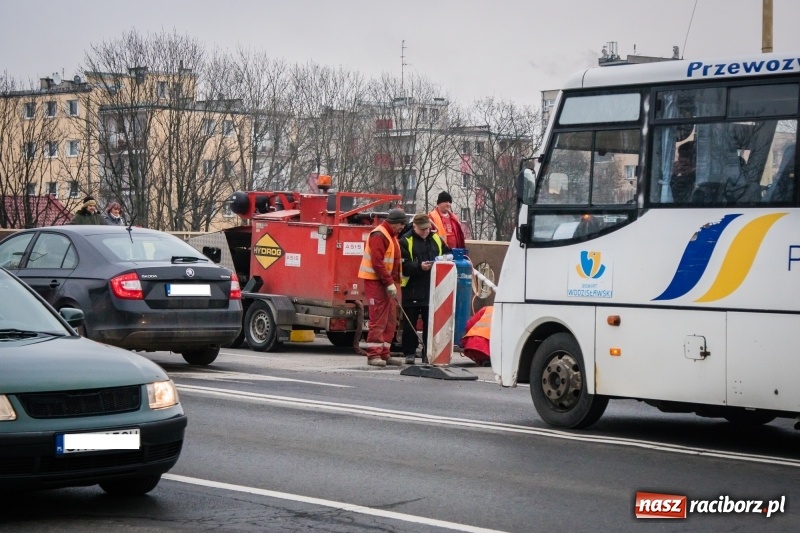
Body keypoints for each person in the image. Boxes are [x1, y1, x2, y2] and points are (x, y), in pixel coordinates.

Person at [399, 213, 452, 365]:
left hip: (432, 289)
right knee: (410, 323)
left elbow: (447, 253)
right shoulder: (405, 240)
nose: (426, 232)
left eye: (427, 229)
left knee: (431, 324)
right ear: (414, 227)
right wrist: (419, 267)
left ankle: (427, 353)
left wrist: (443, 260)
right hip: (412, 288)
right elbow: (402, 265)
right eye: (422, 229)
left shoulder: (435, 238)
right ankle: (409, 352)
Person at [357, 208, 407, 367]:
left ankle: (385, 353)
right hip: (377, 282)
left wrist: (391, 282)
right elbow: (377, 263)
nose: (402, 229)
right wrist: (389, 282)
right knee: (378, 319)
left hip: (386, 283)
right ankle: (374, 355)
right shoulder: (379, 235)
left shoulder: (391, 235)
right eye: (401, 225)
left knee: (390, 320)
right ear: (395, 223)